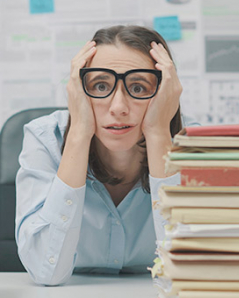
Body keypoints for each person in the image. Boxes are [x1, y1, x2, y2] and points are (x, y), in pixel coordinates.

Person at [15, 25, 184, 285]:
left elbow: (188, 273)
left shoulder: (193, 148)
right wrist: (79, 132)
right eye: (100, 85)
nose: (118, 107)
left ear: (165, 93)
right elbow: (45, 273)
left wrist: (159, 133)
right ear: (79, 91)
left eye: (138, 87)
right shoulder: (45, 138)